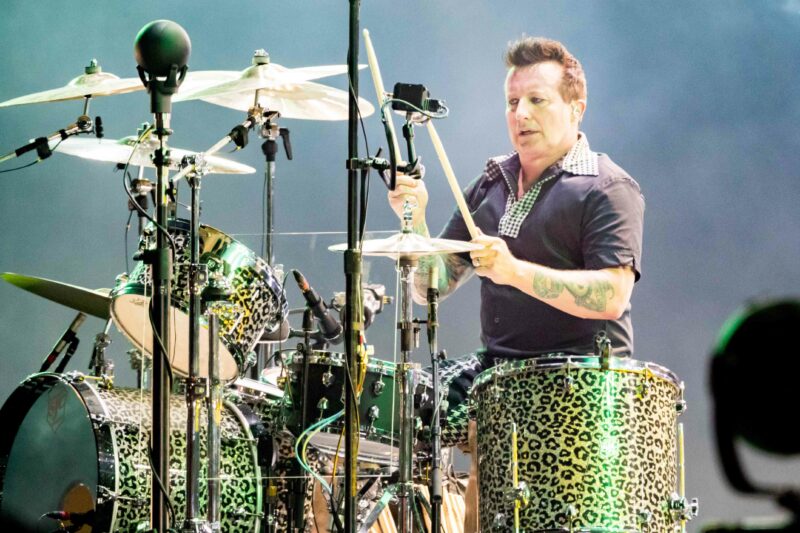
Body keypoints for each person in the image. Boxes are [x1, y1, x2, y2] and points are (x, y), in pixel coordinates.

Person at [387, 34, 645, 499]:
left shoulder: (606, 187)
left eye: (536, 100)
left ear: (576, 108)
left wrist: (514, 271)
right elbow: (430, 288)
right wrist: (415, 218)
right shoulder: (492, 183)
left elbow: (612, 296)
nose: (520, 113)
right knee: (395, 411)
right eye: (512, 102)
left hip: (579, 382)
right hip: (499, 373)